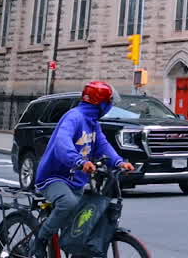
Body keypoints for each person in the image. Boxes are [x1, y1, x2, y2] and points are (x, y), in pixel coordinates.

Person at [30, 81, 134, 258]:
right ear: (101, 103)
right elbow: (62, 143)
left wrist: (118, 162)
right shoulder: (74, 117)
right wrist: (78, 161)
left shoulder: (93, 123)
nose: (110, 106)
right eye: (109, 103)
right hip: (53, 177)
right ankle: (40, 238)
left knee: (81, 219)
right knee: (68, 203)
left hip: (76, 180)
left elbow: (102, 145)